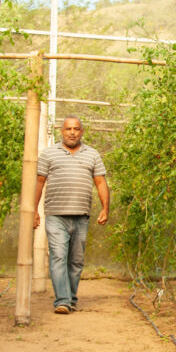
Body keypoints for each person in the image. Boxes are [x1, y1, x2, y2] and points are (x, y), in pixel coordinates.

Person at [34, 115, 109, 314]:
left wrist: (105, 208)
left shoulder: (92, 155)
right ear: (62, 131)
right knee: (58, 256)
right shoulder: (49, 154)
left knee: (76, 261)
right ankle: (62, 301)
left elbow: (101, 182)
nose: (72, 132)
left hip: (81, 216)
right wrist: (34, 211)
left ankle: (71, 299)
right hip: (56, 215)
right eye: (68, 129)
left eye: (76, 129)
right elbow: (39, 182)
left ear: (81, 132)